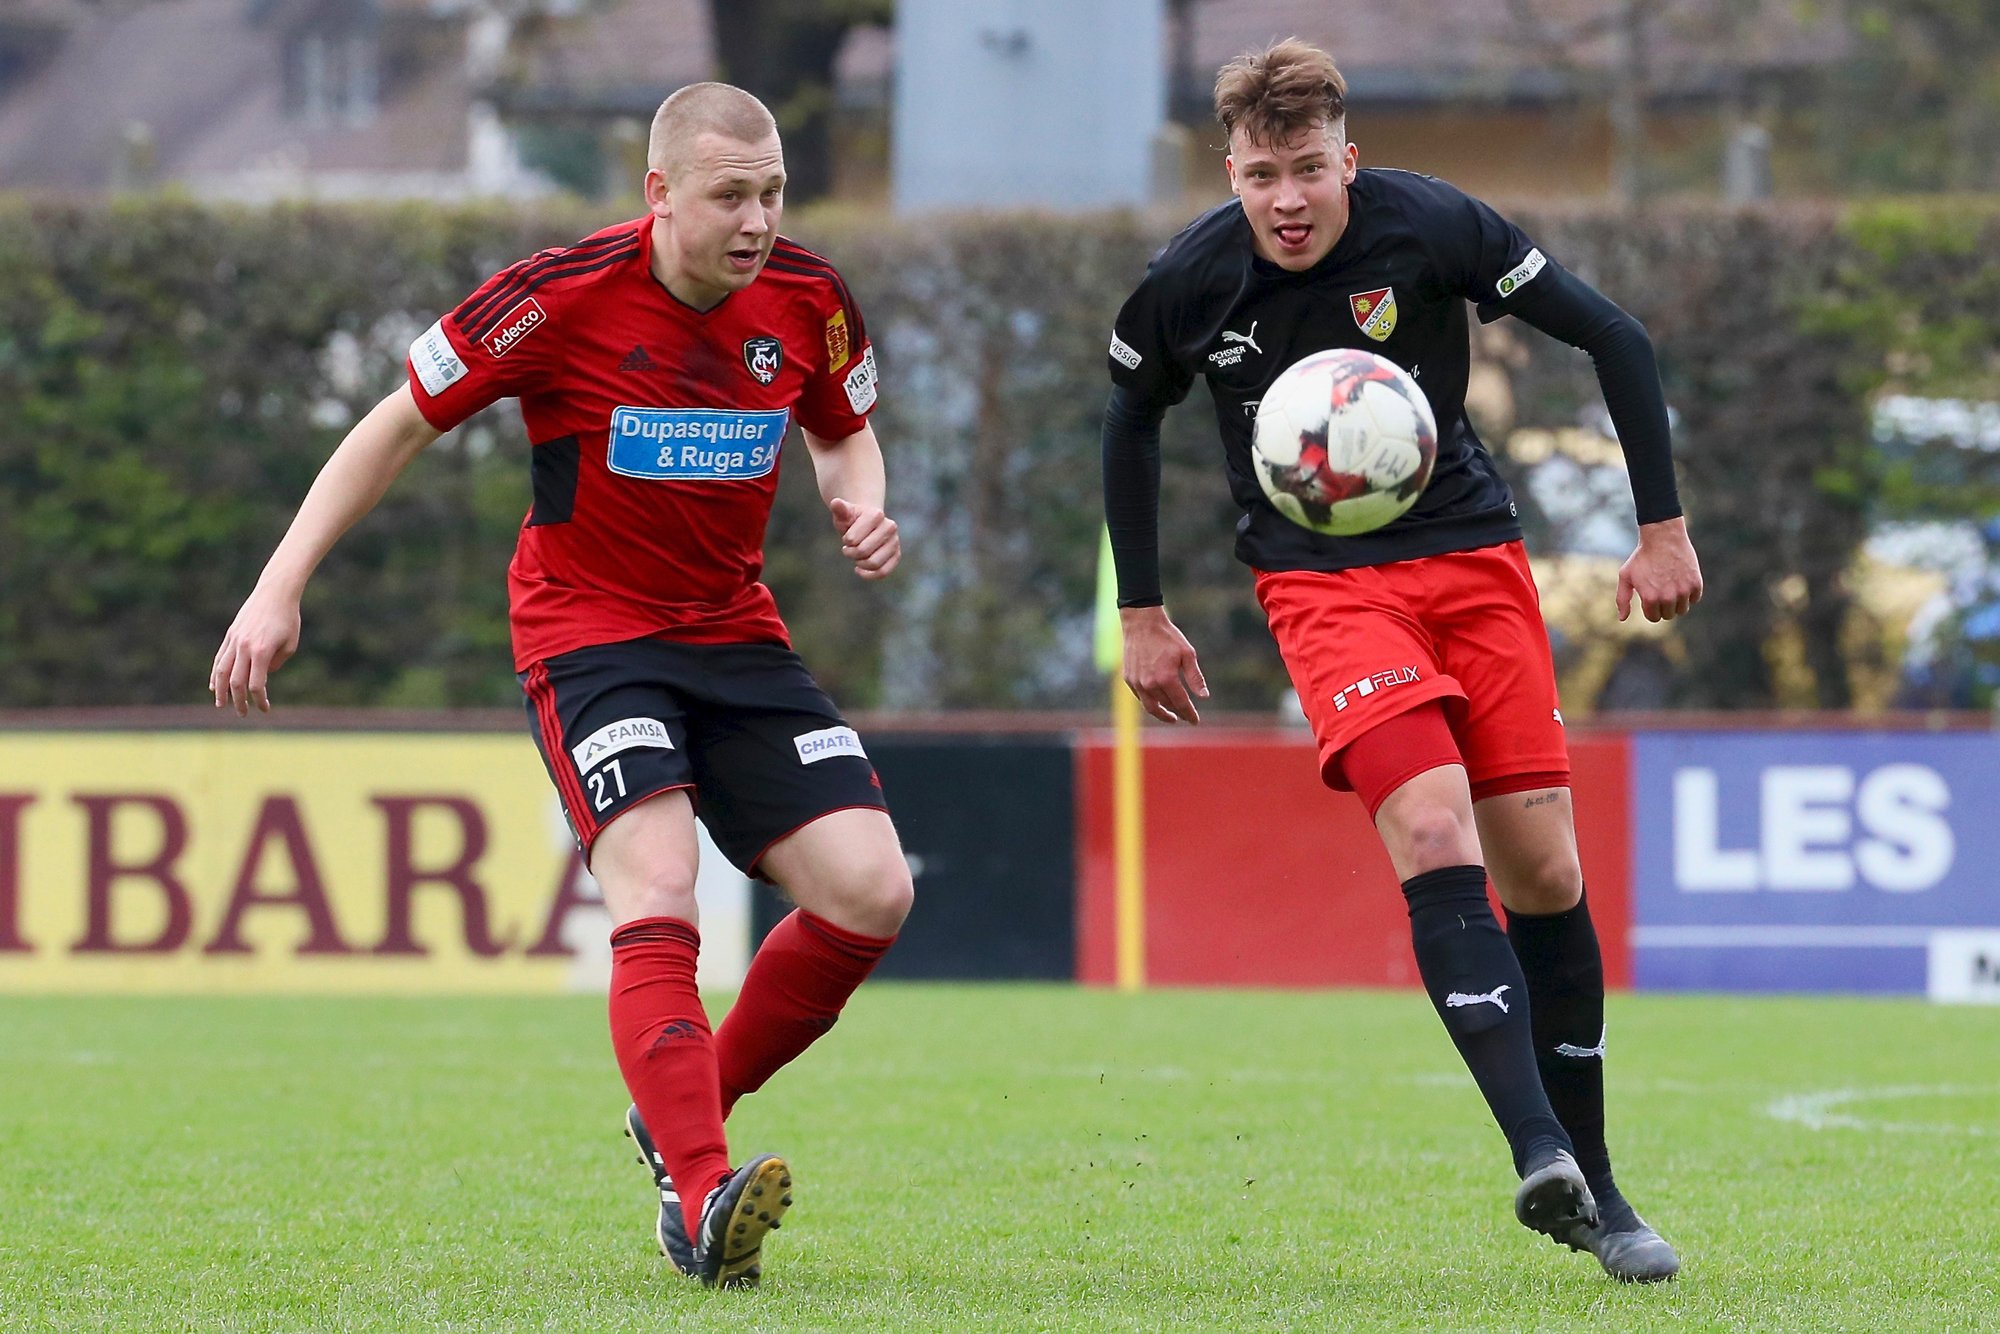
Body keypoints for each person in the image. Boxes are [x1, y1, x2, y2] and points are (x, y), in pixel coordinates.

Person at [210, 82, 913, 1291]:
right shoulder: (560, 295)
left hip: (734, 634)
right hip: (590, 635)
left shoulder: (808, 295)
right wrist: (278, 586)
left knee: (871, 889)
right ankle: (699, 1193)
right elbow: (394, 423)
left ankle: (681, 1107)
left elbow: (839, 422)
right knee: (658, 878)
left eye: (773, 193)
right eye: (729, 196)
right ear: (659, 193)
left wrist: (860, 494)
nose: (757, 221)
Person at [1102, 41, 1701, 1282]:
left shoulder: (1431, 225)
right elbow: (1127, 416)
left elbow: (1614, 336)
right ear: (1230, 170)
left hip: (1474, 564)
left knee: (1541, 864)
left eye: (1308, 170)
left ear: (1346, 160)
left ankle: (1599, 1183)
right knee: (1433, 830)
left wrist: (1660, 527)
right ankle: (1538, 1150)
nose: (1285, 199)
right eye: (1261, 174)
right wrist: (1144, 613)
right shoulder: (1188, 280)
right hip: (1320, 589)